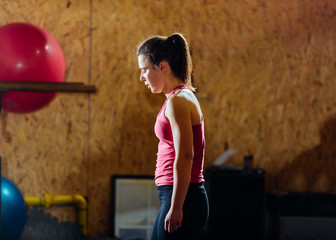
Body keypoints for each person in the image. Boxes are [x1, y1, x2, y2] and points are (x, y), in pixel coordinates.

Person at [137, 33, 209, 240]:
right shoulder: (175, 98)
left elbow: (186, 155)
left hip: (185, 198)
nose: (141, 77)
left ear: (162, 67)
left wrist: (177, 207)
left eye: (144, 70)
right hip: (176, 196)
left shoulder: (179, 100)